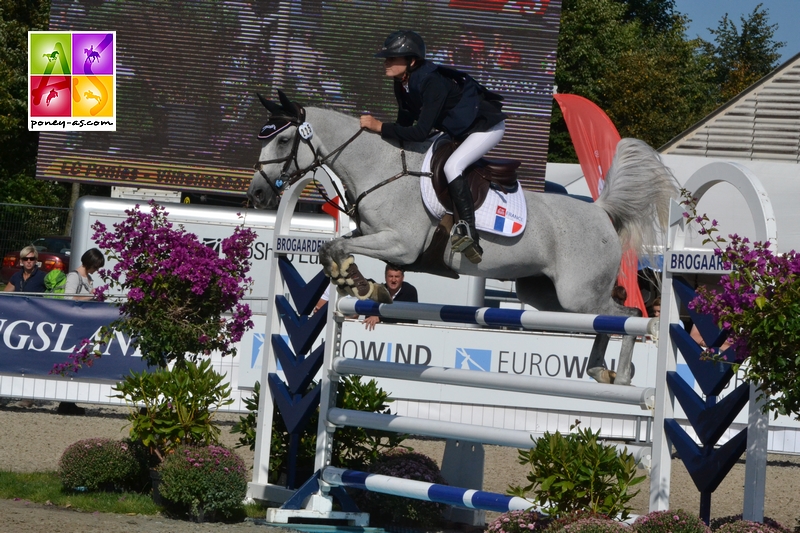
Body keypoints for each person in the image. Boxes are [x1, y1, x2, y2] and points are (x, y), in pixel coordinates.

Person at [360, 30, 507, 264]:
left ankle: (469, 232)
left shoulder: (431, 81)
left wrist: (380, 127)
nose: (386, 62)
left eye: (392, 58)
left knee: (453, 166)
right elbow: (404, 126)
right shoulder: (402, 84)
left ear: (412, 61)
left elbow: (419, 132)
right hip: (457, 130)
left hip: (485, 127)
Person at [363, 265, 418, 331]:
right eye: (390, 276)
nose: (393, 280)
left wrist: (380, 318)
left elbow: (406, 317)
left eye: (397, 277)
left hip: (405, 333)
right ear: (385, 277)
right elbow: (369, 315)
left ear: (402, 278)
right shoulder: (379, 291)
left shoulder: (410, 291)